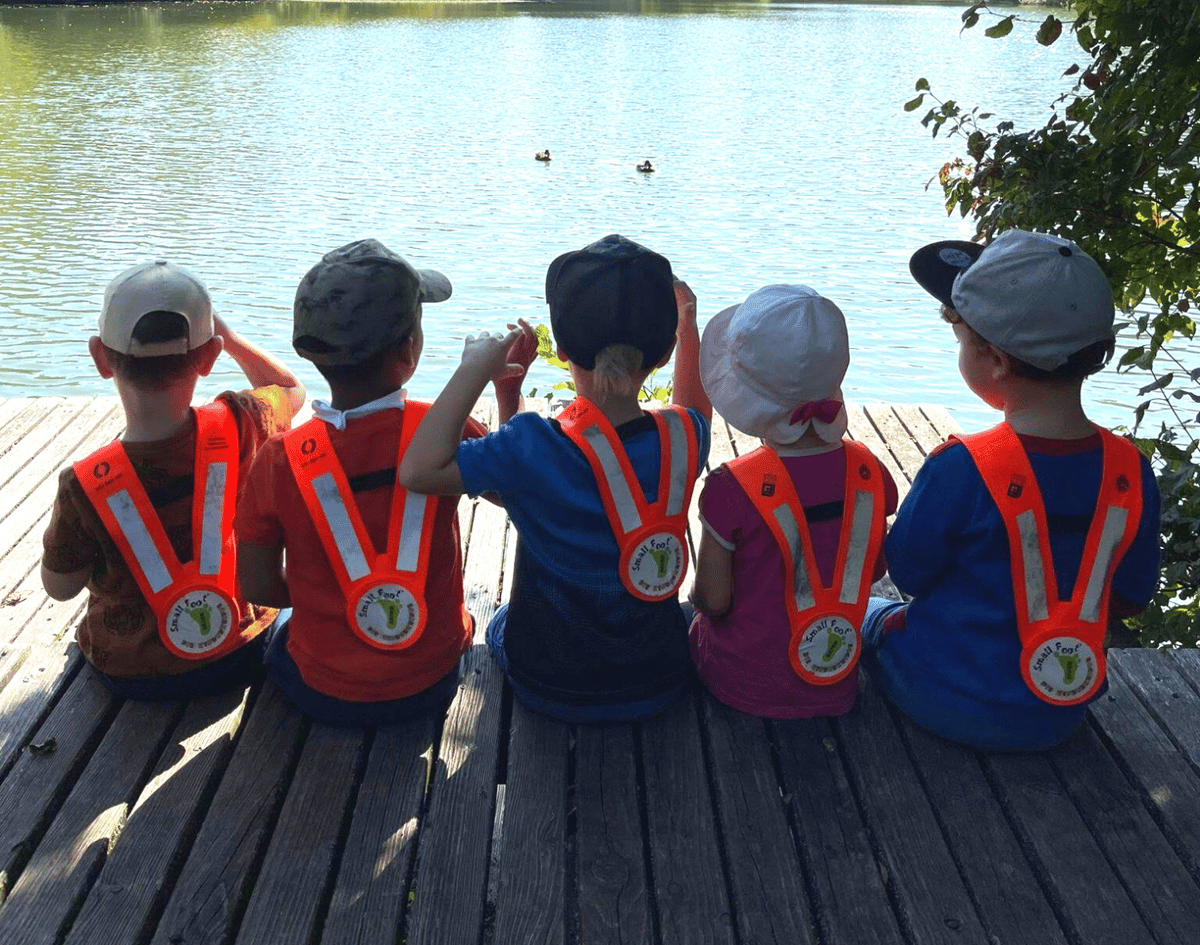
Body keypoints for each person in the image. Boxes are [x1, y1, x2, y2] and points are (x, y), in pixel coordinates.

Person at [862, 229, 1162, 751]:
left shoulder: (960, 467)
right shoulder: (1131, 471)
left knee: (870, 610)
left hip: (937, 695)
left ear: (997, 362)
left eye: (961, 343)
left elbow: (908, 573)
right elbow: (1131, 596)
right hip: (1058, 714)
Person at [400, 233, 712, 722]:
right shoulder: (686, 438)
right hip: (658, 678)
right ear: (664, 353)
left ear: (561, 348)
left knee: (499, 618)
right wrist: (688, 321)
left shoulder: (528, 444)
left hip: (548, 682)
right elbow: (692, 407)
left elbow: (420, 470)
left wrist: (477, 372)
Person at [236, 238, 526, 726]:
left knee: (279, 631)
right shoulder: (446, 432)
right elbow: (520, 489)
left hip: (322, 690)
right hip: (431, 681)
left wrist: (328, 602)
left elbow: (258, 584)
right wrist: (507, 392)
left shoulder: (278, 460)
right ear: (410, 348)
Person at [40, 260, 304, 700]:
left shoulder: (83, 485)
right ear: (209, 356)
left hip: (135, 673)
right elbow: (291, 390)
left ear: (100, 358)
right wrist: (230, 339)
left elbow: (60, 588)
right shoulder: (244, 421)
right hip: (241, 649)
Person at [689, 285, 899, 718]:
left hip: (739, 683)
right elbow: (874, 570)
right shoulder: (872, 473)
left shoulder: (730, 488)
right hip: (836, 683)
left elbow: (712, 600)